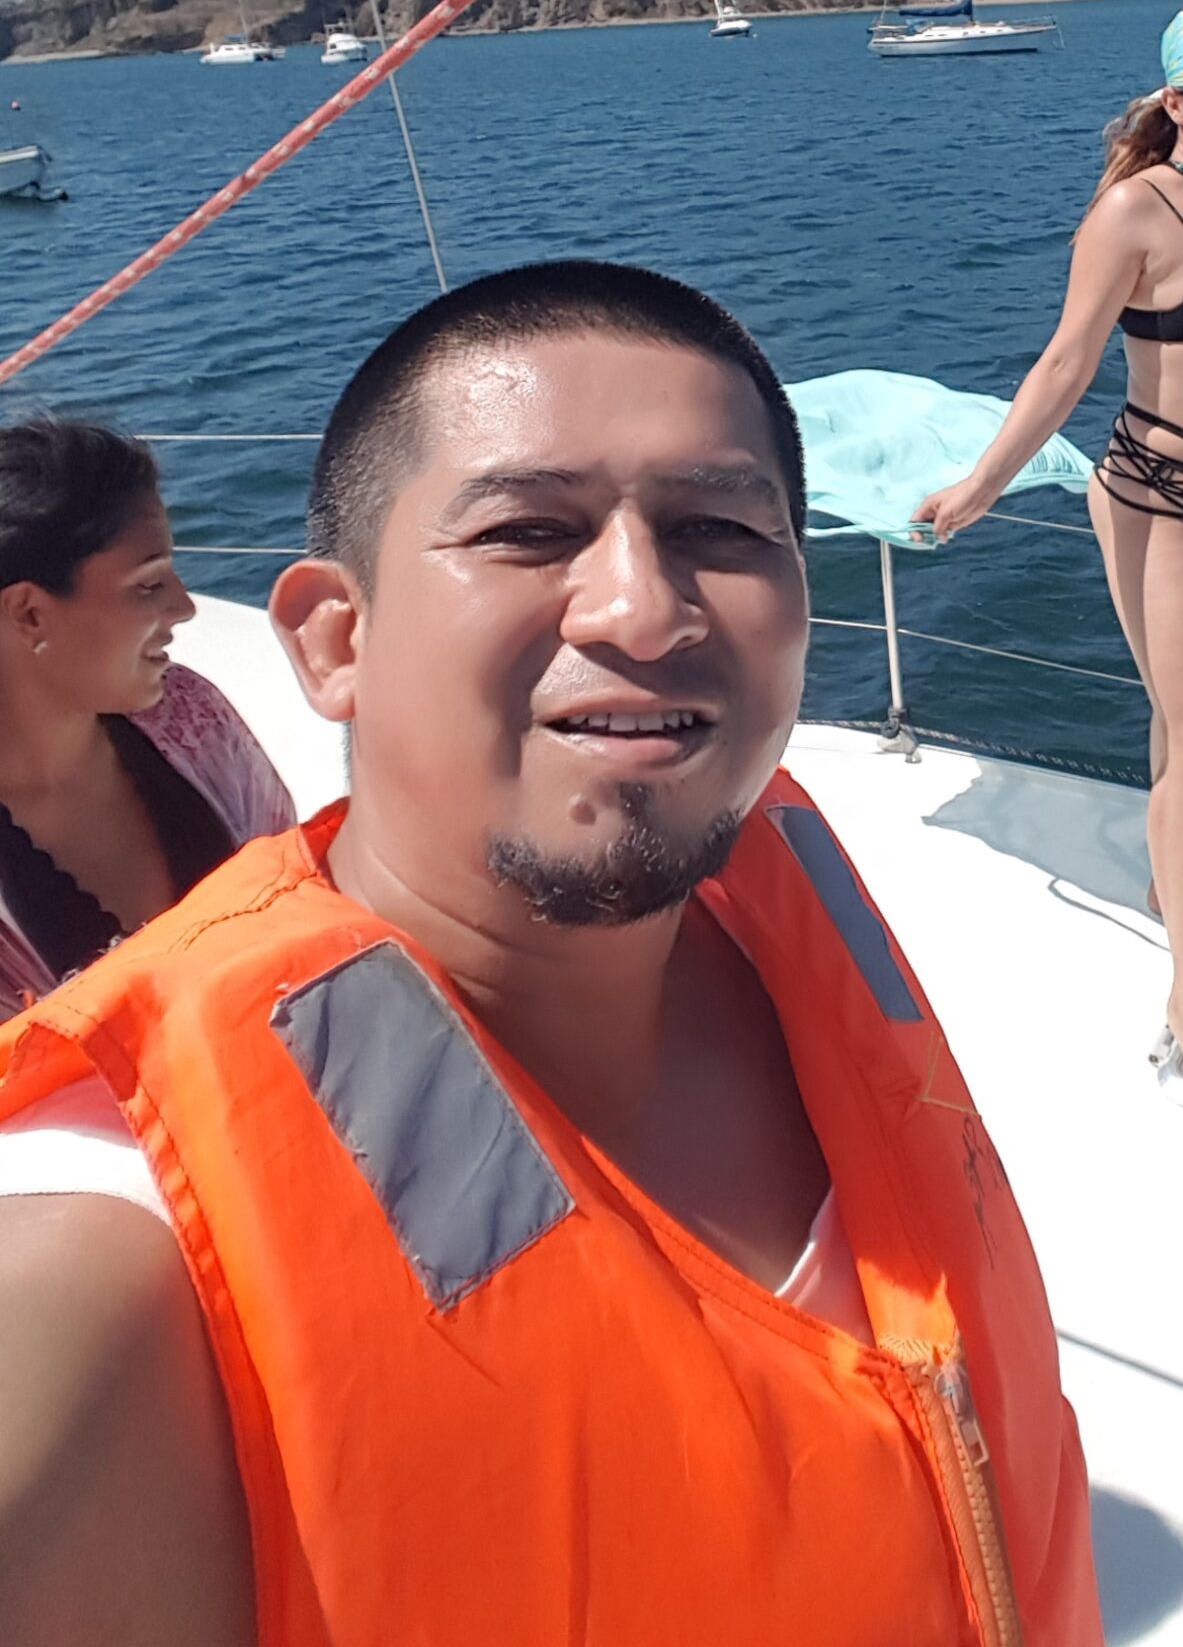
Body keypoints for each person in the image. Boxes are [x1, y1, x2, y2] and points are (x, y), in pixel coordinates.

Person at [0, 261, 1099, 1647]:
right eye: (527, 531)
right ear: (336, 641)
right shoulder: (117, 1256)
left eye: (720, 527)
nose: (641, 608)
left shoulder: (778, 888)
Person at [915, 9, 1183, 1125]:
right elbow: (1067, 359)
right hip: (1151, 498)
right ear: (1176, 102)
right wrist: (984, 485)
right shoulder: (1130, 211)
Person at [0, 417, 293, 1020]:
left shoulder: (189, 716)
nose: (183, 607)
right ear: (29, 614)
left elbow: (298, 895)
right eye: (147, 585)